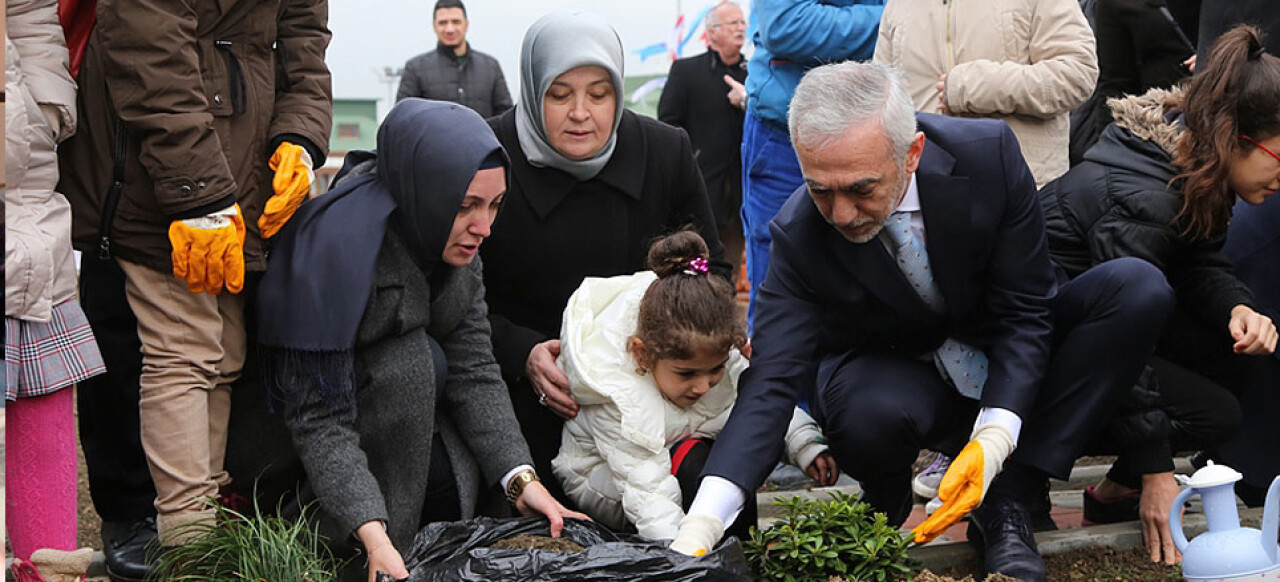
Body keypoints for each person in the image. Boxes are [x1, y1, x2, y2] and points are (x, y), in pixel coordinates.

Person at [670, 62, 1175, 582]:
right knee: (865, 409)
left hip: (1001, 358)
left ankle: (1011, 495)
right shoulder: (799, 233)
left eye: (861, 189)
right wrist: (702, 525)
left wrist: (996, 441)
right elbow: (772, 380)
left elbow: (1026, 312)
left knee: (1135, 290)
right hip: (900, 376)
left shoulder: (989, 157)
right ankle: (885, 489)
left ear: (911, 153)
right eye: (821, 190)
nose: (841, 214)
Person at [257, 99, 586, 582]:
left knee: (433, 364)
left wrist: (521, 479)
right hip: (314, 460)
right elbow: (318, 420)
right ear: (425, 189)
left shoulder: (454, 241)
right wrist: (370, 532)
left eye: (495, 205)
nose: (484, 227)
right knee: (413, 361)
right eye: (467, 205)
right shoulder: (333, 254)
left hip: (405, 440)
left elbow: (475, 367)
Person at [55, 0, 332, 551]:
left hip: (240, 168)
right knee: (183, 351)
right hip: (155, 166)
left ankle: (202, 529)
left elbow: (305, 41)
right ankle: (190, 545)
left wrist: (299, 140)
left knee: (224, 353)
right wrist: (198, 192)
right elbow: (148, 47)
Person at [1039, 25, 1279, 564]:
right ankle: (1038, 474)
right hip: (1040, 359)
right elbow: (1127, 335)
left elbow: (1199, 265)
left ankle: (1114, 491)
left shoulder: (1195, 167)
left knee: (1238, 352)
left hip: (1101, 341)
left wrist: (1239, 308)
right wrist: (1157, 470)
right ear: (1238, 139)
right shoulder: (1141, 194)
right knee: (1212, 414)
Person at [480, 10, 727, 502]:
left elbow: (712, 269)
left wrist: (666, 341)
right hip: (531, 393)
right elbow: (455, 295)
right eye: (559, 94)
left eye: (598, 94)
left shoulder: (664, 152)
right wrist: (522, 352)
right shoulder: (491, 155)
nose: (580, 113)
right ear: (532, 90)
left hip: (653, 390)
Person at [552, 231, 836, 542]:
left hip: (679, 448)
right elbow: (648, 493)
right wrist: (683, 552)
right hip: (612, 481)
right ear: (642, 353)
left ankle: (740, 546)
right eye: (686, 374)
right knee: (694, 463)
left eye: (714, 370)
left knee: (736, 457)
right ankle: (713, 552)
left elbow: (756, 408)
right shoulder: (618, 398)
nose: (702, 386)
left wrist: (804, 444)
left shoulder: (721, 363)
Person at [4, 0, 102, 579]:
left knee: (42, 386)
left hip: (24, 193)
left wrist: (35, 110)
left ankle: (48, 570)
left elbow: (34, 17)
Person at [740, 0, 886, 332]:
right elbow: (788, 25)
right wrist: (892, 19)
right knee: (781, 289)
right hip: (787, 138)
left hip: (879, 130)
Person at [873, 0, 1097, 191]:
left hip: (1021, 189)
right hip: (928, 191)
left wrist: (973, 85)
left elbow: (1077, 73)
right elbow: (880, 98)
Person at [658, 2, 750, 281]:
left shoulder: (754, 76)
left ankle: (725, 301)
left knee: (729, 264)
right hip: (701, 186)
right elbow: (668, 122)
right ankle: (698, 299)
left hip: (741, 190)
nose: (741, 27)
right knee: (699, 262)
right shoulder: (687, 72)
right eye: (732, 23)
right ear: (712, 33)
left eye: (742, 22)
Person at [395, 0, 512, 118]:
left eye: (456, 22)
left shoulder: (490, 67)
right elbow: (403, 119)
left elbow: (505, 117)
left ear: (466, 24)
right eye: (443, 23)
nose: (449, 29)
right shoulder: (415, 69)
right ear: (434, 26)